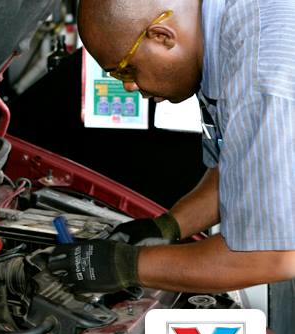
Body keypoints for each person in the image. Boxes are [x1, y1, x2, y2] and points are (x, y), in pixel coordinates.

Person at [48, 0, 295, 295]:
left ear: (162, 36)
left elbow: (271, 256)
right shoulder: (226, 36)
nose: (129, 87)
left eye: (127, 71)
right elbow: (240, 170)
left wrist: (124, 266)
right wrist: (167, 227)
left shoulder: (260, 76)